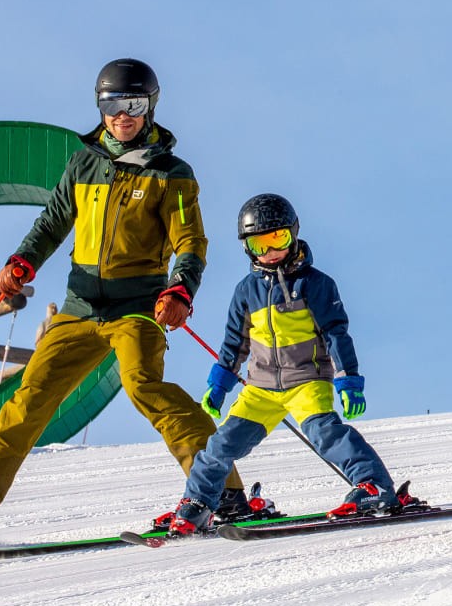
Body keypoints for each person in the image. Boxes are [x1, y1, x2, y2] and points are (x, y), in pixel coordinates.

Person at [0, 58, 247, 559]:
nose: (122, 115)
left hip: (137, 308)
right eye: (112, 104)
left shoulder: (171, 174)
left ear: (150, 107)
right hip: (80, 308)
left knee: (145, 388)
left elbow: (190, 241)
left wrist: (180, 290)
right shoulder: (84, 163)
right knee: (29, 400)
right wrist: (22, 260)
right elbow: (53, 221)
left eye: (133, 104)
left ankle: (226, 495)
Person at [163, 193, 407, 536]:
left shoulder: (316, 284)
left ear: (293, 234)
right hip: (260, 389)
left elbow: (336, 334)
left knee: (326, 434)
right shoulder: (246, 291)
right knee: (219, 447)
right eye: (259, 244)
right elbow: (235, 343)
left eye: (278, 238)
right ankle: (199, 503)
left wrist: (348, 381)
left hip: (306, 381)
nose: (270, 251)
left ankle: (373, 485)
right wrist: (219, 385)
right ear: (247, 248)